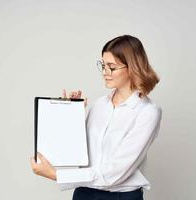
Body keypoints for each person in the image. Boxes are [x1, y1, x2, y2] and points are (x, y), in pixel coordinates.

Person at [30, 35, 162, 200]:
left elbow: (114, 173)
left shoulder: (148, 112)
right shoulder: (99, 105)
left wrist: (57, 175)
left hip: (121, 197)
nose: (105, 72)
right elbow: (78, 153)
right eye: (103, 65)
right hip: (83, 193)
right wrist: (68, 116)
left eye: (112, 67)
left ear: (132, 67)